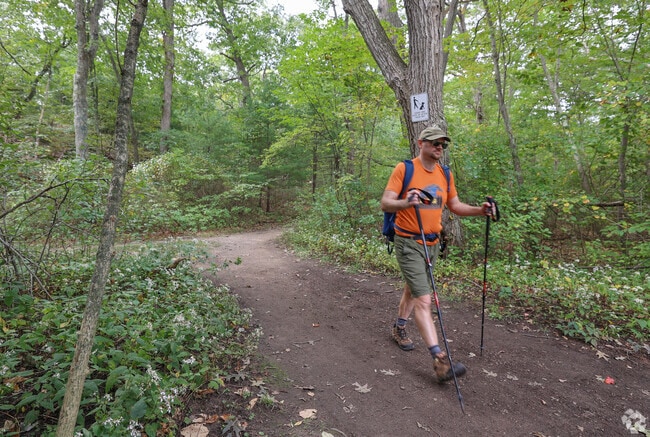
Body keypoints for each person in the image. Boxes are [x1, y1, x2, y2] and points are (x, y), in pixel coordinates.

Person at [380, 125, 494, 383]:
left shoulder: (445, 174)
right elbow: (386, 203)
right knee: (424, 299)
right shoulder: (405, 169)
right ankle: (440, 359)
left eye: (442, 144)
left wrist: (481, 210)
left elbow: (454, 206)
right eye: (434, 143)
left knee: (413, 288)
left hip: (432, 244)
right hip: (408, 241)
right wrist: (406, 202)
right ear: (421, 143)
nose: (439, 147)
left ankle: (399, 327)